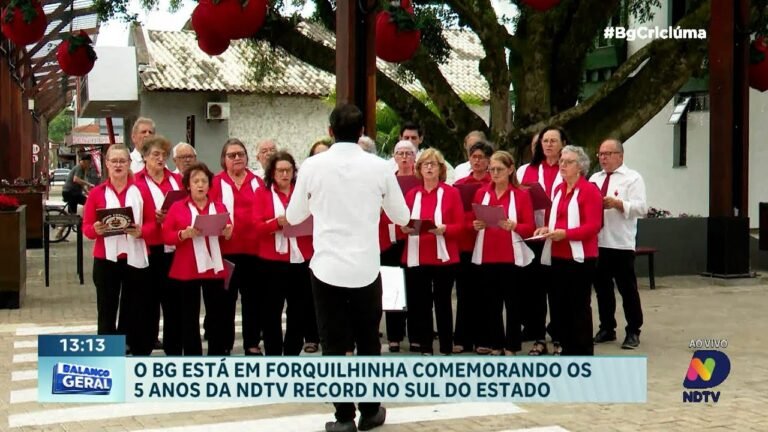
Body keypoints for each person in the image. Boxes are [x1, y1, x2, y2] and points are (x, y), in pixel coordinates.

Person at [286, 104, 409, 432]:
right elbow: (401, 216)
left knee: (332, 342)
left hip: (326, 267)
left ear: (330, 131)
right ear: (362, 132)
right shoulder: (380, 167)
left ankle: (343, 417)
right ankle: (370, 410)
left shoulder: (312, 166)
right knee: (368, 340)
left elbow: (294, 215)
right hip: (366, 266)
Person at [83, 144, 153, 354]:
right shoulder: (97, 193)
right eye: (114, 161)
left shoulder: (141, 191)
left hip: (135, 256)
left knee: (133, 306)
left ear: (129, 163)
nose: (118, 165)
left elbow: (152, 224)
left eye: (122, 161)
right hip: (106, 258)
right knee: (106, 307)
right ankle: (107, 349)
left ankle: (128, 344)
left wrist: (141, 231)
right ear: (106, 164)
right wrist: (95, 229)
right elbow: (87, 227)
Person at [534, 145, 602, 356]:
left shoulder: (589, 190)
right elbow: (556, 219)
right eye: (561, 161)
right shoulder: (558, 190)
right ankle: (565, 348)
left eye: (568, 162)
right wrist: (547, 229)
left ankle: (582, 353)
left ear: (580, 166)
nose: (562, 165)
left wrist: (566, 234)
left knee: (579, 306)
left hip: (580, 257)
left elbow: (593, 226)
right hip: (557, 255)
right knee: (560, 306)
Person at [469, 151, 535, 355]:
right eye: (492, 169)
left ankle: (512, 345)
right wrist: (476, 224)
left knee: (513, 303)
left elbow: (530, 227)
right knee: (491, 303)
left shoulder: (521, 194)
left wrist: (514, 226)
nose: (495, 173)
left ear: (510, 169)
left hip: (511, 255)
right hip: (487, 253)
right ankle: (496, 344)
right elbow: (474, 220)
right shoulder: (482, 193)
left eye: (499, 169)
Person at [162, 162, 232, 355]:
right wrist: (183, 234)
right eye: (196, 181)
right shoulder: (178, 207)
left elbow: (227, 230)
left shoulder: (219, 206)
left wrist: (227, 232)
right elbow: (166, 235)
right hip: (187, 268)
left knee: (216, 314)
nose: (200, 185)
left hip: (213, 267)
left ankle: (217, 354)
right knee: (188, 316)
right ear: (188, 185)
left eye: (204, 181)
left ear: (209, 184)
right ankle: (193, 356)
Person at [400, 148, 464, 356]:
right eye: (425, 164)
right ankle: (425, 347)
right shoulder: (412, 195)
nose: (429, 167)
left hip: (443, 257)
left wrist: (445, 229)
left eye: (433, 164)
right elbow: (403, 224)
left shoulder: (451, 193)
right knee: (421, 305)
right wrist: (405, 228)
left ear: (440, 169)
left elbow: (460, 226)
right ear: (419, 169)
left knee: (443, 303)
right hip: (417, 255)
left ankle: (446, 347)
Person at [208, 138, 266, 355]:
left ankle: (252, 343)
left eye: (241, 154)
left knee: (253, 300)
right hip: (226, 252)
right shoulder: (215, 182)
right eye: (231, 155)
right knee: (225, 301)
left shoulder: (257, 182)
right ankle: (225, 344)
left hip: (254, 252)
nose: (237, 158)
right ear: (223, 160)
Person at [254, 151, 315, 356]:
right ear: (272, 173)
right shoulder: (262, 193)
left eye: (288, 170)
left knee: (298, 310)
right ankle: (273, 354)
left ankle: (291, 354)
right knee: (271, 310)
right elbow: (256, 227)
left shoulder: (302, 193)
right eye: (280, 170)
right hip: (272, 260)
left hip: (301, 258)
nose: (285, 174)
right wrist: (276, 223)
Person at [589, 138, 647, 350]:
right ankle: (607, 327)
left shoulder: (632, 178)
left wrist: (618, 204)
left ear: (620, 156)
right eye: (601, 154)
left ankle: (633, 330)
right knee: (602, 289)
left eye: (608, 154)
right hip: (598, 242)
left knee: (627, 289)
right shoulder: (594, 178)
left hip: (621, 243)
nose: (603, 158)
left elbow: (641, 208)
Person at [516, 126, 566, 355]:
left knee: (557, 291)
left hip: (557, 237)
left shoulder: (567, 168)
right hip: (533, 236)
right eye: (545, 141)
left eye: (553, 140)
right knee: (533, 293)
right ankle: (537, 337)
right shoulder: (527, 170)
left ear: (563, 143)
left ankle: (558, 336)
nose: (548, 145)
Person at [134, 136, 183, 354]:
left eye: (164, 155)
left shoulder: (176, 180)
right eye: (155, 154)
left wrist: (172, 218)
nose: (160, 158)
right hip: (148, 248)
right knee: (147, 303)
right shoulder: (136, 182)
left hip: (173, 249)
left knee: (173, 303)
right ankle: (143, 348)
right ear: (145, 157)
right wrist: (154, 222)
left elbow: (186, 208)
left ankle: (174, 349)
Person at [452, 140, 493, 354]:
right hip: (465, 242)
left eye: (481, 157)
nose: (477, 161)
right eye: (473, 157)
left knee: (484, 292)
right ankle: (462, 338)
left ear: (489, 161)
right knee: (464, 291)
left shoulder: (493, 182)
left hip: (487, 243)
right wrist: (470, 222)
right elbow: (455, 213)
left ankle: (484, 338)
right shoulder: (460, 184)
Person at [381, 140, 417, 353]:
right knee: (393, 288)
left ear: (415, 157)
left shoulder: (420, 180)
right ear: (394, 157)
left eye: (408, 153)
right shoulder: (388, 180)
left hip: (415, 241)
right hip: (391, 241)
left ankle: (415, 335)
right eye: (400, 153)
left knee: (414, 289)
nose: (404, 157)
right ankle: (394, 335)